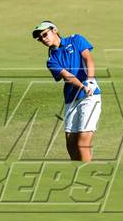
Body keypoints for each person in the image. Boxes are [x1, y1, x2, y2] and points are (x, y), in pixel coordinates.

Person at [32, 20, 101, 162]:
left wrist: (91, 80)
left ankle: (87, 175)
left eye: (45, 34)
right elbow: (67, 76)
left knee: (83, 142)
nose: (43, 39)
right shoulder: (51, 60)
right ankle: (77, 172)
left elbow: (88, 58)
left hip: (89, 97)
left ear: (54, 30)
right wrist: (82, 86)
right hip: (71, 99)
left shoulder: (76, 40)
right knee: (71, 144)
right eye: (40, 38)